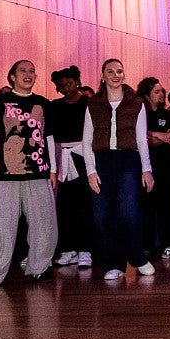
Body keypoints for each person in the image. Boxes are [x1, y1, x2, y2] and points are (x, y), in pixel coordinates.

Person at [0, 60, 57, 287]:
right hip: (5, 172)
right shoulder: (1, 101)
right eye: (23, 71)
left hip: (38, 172)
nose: (28, 74)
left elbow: (49, 137)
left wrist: (53, 169)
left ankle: (39, 267)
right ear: (12, 76)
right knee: (0, 224)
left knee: (43, 222)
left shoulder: (43, 103)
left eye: (32, 71)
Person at [82, 59, 155, 281]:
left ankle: (137, 257)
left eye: (120, 71)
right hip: (102, 160)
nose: (116, 75)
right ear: (103, 75)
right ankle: (112, 264)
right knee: (102, 215)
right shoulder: (93, 104)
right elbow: (86, 141)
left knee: (129, 212)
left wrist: (146, 169)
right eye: (111, 71)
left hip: (128, 159)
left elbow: (142, 139)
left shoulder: (136, 103)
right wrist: (90, 171)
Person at [47, 65, 95, 269]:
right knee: (65, 204)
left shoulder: (89, 104)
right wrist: (52, 165)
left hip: (84, 155)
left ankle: (86, 249)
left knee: (85, 203)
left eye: (69, 84)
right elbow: (50, 135)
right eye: (61, 86)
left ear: (77, 82)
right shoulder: (54, 106)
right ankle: (68, 249)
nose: (66, 88)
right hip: (61, 156)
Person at [139, 77, 170, 259]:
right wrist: (165, 136)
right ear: (147, 95)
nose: (162, 95)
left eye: (162, 91)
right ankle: (146, 244)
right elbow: (143, 138)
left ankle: (168, 244)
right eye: (157, 92)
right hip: (145, 168)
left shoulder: (166, 115)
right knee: (146, 207)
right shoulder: (140, 114)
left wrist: (158, 135)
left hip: (165, 168)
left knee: (167, 206)